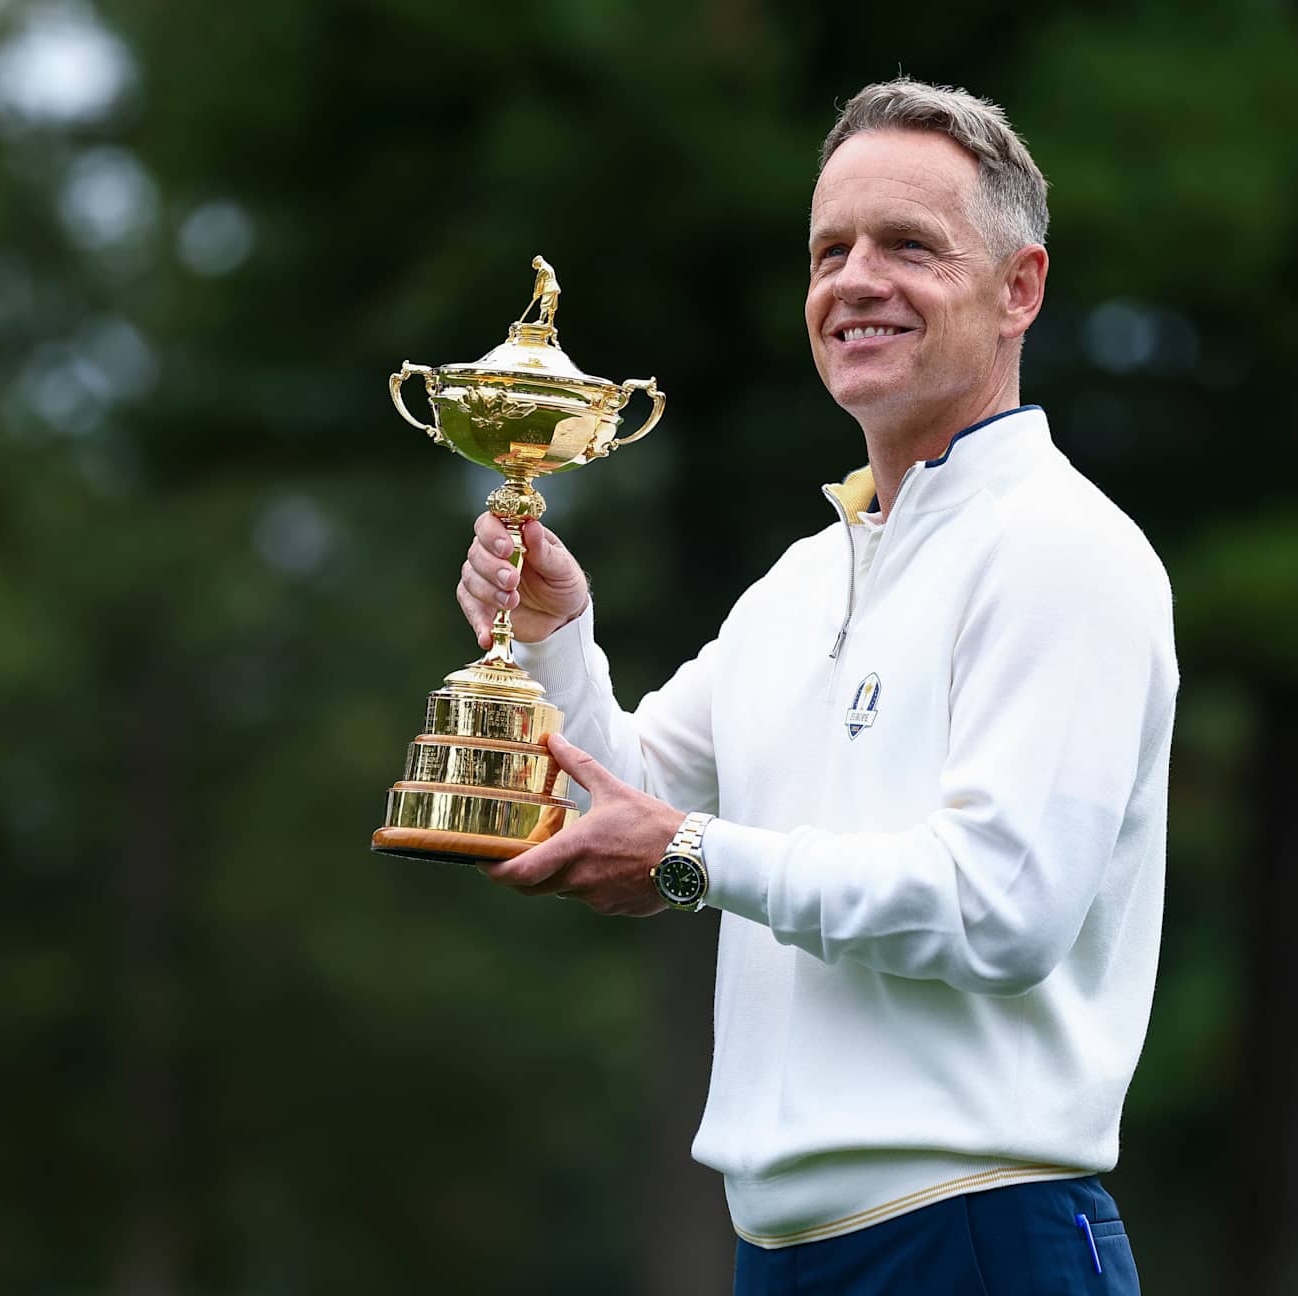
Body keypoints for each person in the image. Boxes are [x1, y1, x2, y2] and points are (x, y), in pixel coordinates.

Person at [456, 78, 1177, 1295]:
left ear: (1021, 289)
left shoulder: (1065, 546)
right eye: (829, 250)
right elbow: (607, 812)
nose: (855, 282)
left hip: (977, 1238)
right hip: (781, 1252)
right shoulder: (800, 579)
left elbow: (1002, 905)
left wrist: (694, 855)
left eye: (909, 246)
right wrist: (554, 640)